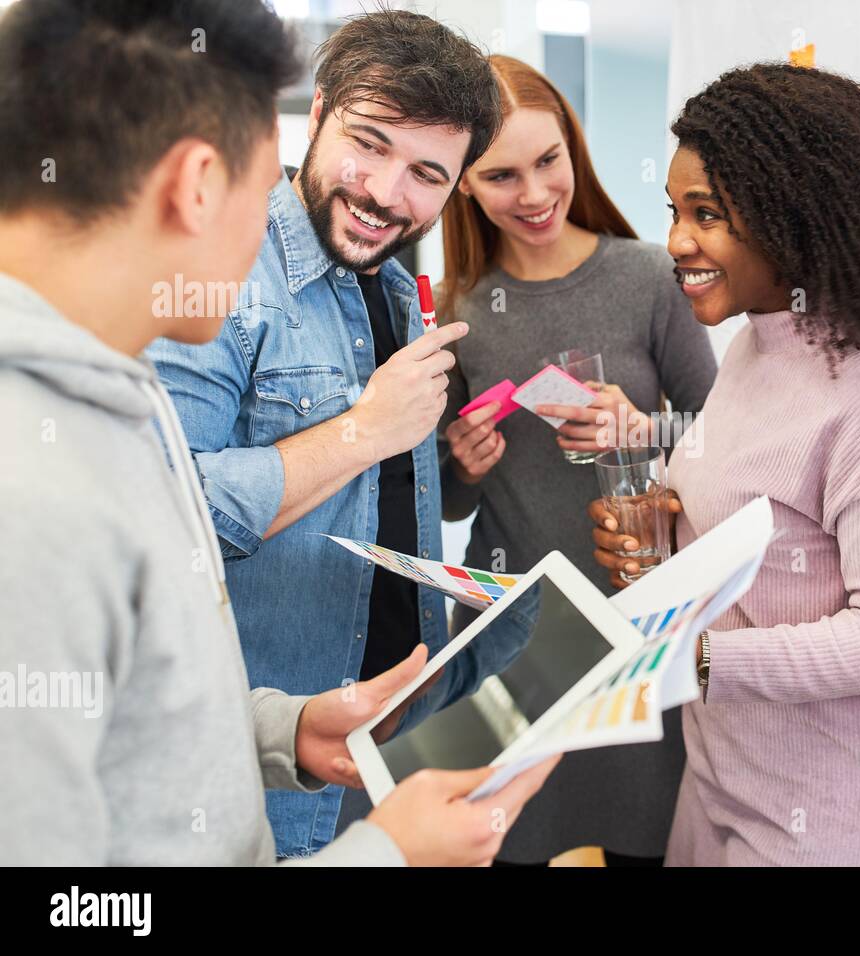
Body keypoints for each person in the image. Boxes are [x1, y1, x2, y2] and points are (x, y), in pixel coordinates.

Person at [0, 0, 556, 866]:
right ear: (196, 185)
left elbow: (146, 693)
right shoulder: (38, 485)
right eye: (265, 183)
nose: (380, 192)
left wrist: (278, 730)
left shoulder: (101, 394)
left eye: (425, 174)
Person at [582, 64, 860, 865]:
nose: (675, 240)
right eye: (675, 211)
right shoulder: (752, 343)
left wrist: (700, 659)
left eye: (706, 214)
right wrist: (662, 532)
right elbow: (754, 526)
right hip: (718, 778)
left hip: (836, 819)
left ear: (794, 220)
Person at [437, 55, 717, 866]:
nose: (533, 194)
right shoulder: (457, 312)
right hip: (514, 632)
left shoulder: (647, 278)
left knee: (644, 839)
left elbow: (721, 436)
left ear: (574, 149)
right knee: (508, 842)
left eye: (548, 161)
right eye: (500, 175)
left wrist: (643, 432)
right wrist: (463, 464)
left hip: (635, 618)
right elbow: (453, 508)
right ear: (462, 182)